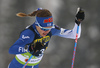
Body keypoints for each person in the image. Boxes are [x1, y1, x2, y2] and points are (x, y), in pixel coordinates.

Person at [8, 8, 85, 68]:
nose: (47, 31)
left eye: (49, 28)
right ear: (37, 24)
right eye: (44, 29)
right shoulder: (29, 33)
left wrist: (78, 22)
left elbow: (75, 35)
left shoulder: (51, 29)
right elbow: (12, 49)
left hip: (34, 65)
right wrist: (29, 48)